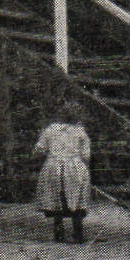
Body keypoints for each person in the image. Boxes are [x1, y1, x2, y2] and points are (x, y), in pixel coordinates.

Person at [32, 103, 93, 244]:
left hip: (54, 166)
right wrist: (85, 167)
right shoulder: (80, 132)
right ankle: (78, 234)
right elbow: (86, 155)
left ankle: (59, 234)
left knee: (57, 198)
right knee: (76, 198)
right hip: (74, 167)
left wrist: (47, 153)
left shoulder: (50, 130)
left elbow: (39, 149)